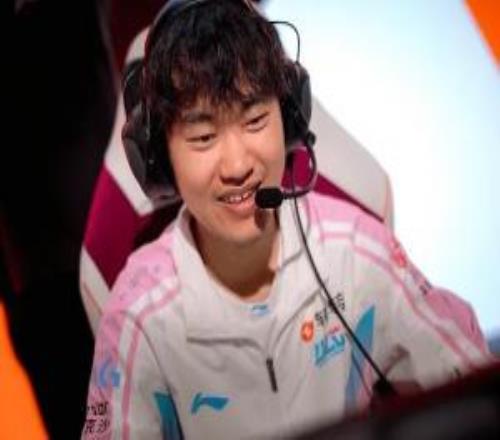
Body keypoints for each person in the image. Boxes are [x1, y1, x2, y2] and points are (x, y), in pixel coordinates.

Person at [81, 1, 491, 438]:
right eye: (203, 137)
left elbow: (475, 386)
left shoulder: (355, 251)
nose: (237, 165)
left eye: (256, 119)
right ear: (160, 160)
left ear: (290, 117)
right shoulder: (138, 316)